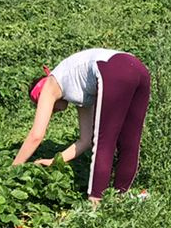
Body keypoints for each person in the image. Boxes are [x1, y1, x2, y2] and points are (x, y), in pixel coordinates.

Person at [14, 48, 151, 201]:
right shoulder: (78, 87)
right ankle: (121, 197)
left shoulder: (49, 86)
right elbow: (85, 141)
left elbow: (36, 135)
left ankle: (95, 203)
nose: (53, 111)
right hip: (138, 68)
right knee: (130, 141)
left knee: (104, 141)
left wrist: (12, 171)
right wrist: (55, 161)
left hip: (113, 68)